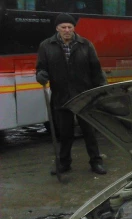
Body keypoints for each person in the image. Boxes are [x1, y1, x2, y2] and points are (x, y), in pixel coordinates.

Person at [36, 13, 107, 175]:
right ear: (57, 29)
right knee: (65, 134)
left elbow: (96, 70)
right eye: (63, 27)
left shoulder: (85, 45)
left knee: (89, 133)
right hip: (61, 96)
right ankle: (64, 164)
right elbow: (41, 67)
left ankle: (96, 162)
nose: (67, 30)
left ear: (74, 28)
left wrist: (101, 90)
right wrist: (41, 75)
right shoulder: (46, 46)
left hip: (84, 96)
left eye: (70, 27)